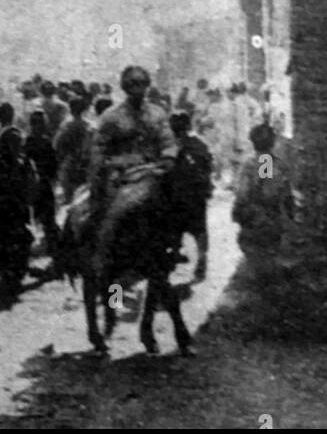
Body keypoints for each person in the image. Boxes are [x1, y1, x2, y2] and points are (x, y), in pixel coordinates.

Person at [88, 65, 178, 275]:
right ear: (124, 87)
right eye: (132, 84)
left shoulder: (157, 114)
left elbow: (168, 142)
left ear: (147, 86)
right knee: (112, 217)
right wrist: (104, 167)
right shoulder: (111, 116)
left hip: (152, 172)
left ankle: (171, 248)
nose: (137, 89)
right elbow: (99, 149)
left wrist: (168, 157)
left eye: (141, 83)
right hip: (121, 176)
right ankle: (104, 257)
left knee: (174, 208)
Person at [0, 113, 33, 298]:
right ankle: (13, 276)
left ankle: (7, 276)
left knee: (2, 241)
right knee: (17, 241)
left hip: (0, 209)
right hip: (17, 210)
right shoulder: (24, 162)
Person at [232, 122, 293, 266]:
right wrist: (290, 215)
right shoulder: (277, 164)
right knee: (269, 254)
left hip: (254, 217)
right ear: (273, 142)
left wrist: (239, 209)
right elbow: (280, 192)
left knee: (256, 257)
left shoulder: (250, 164)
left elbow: (243, 193)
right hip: (271, 217)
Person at [169, 110, 213, 281]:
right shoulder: (200, 144)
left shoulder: (169, 146)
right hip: (196, 195)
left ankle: (174, 253)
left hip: (176, 195)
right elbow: (208, 166)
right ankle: (202, 261)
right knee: (199, 230)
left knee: (173, 229)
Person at [25, 109, 60, 260]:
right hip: (39, 185)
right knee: (44, 218)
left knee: (45, 218)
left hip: (38, 185)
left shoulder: (30, 142)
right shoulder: (42, 142)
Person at [54, 96, 92, 203]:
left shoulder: (66, 125)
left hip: (69, 163)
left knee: (69, 197)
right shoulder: (89, 126)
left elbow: (57, 144)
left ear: (70, 109)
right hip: (85, 164)